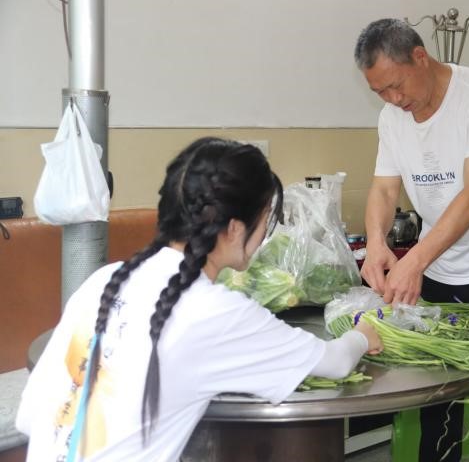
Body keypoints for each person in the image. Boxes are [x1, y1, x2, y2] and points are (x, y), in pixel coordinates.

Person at [16, 137, 383, 461]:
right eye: (266, 220)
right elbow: (335, 362)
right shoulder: (214, 310)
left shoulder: (104, 280)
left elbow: (31, 417)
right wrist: (363, 335)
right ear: (235, 228)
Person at [354, 18, 469, 460]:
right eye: (380, 92)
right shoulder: (391, 118)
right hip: (440, 263)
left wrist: (414, 260)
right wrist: (376, 243)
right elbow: (384, 189)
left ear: (420, 57)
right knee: (434, 390)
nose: (393, 100)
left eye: (396, 86)